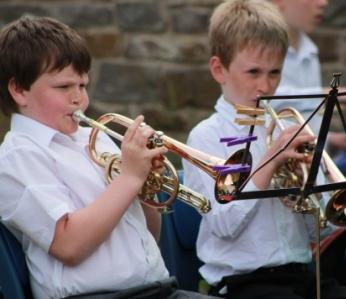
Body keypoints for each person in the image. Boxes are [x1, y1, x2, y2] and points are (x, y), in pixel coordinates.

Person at [0, 16, 219, 299]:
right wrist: (129, 178)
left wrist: (146, 189)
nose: (80, 99)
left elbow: (150, 235)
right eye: (64, 87)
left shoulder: (93, 138)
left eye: (83, 85)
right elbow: (68, 245)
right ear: (19, 90)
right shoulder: (18, 157)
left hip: (156, 289)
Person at [182, 1, 346, 298]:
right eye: (253, 72)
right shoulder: (206, 136)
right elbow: (224, 224)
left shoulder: (285, 128)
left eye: (274, 73)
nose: (265, 86)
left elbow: (318, 232)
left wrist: (305, 193)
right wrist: (268, 163)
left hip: (300, 274)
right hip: (243, 283)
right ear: (219, 69)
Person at [270, 0, 346, 166]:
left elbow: (302, 120)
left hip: (310, 165)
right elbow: (268, 100)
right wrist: (334, 94)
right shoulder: (260, 49)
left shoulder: (309, 50)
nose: (323, 3)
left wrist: (331, 140)